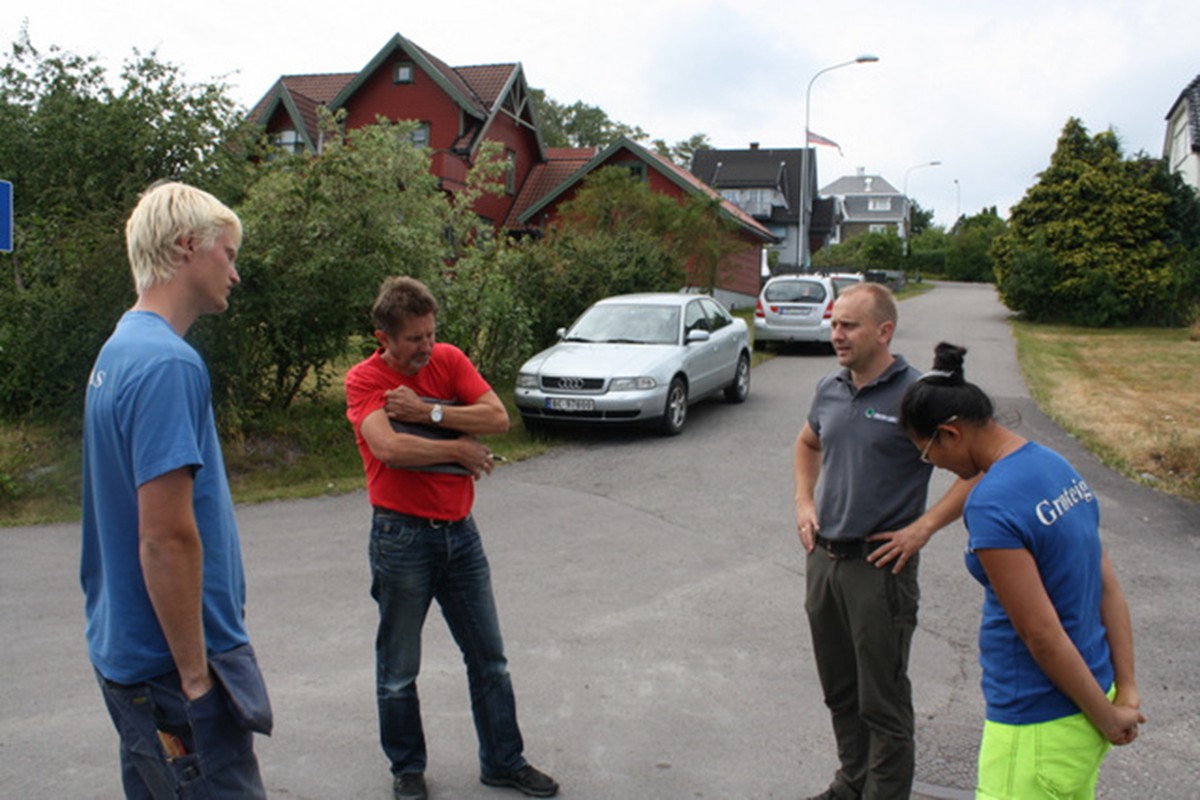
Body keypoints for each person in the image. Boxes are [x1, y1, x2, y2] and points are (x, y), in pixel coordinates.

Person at [81, 182, 271, 798]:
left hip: (127, 656)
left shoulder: (120, 348)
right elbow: (164, 537)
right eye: (228, 254)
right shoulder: (167, 364)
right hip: (172, 672)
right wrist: (197, 680)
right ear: (188, 246)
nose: (234, 274)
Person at [345, 276, 559, 800]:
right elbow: (389, 449)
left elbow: (497, 417)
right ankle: (408, 770)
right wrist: (458, 448)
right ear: (384, 337)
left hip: (461, 536)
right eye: (414, 338)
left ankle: (503, 761)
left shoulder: (448, 360)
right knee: (399, 669)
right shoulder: (365, 379)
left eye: (430, 334)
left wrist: (428, 413)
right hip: (401, 538)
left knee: (490, 659)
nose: (426, 346)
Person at [900, 342, 1144, 799]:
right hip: (1089, 705)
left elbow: (1041, 635)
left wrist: (1109, 719)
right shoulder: (1055, 465)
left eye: (928, 455)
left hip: (1034, 725)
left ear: (950, 434)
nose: (937, 467)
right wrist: (1123, 691)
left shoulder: (991, 503)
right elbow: (1107, 585)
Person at [792, 282, 975, 800]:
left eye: (849, 325)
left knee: (883, 700)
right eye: (834, 324)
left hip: (879, 568)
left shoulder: (917, 397)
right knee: (840, 690)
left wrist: (924, 527)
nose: (837, 334)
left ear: (884, 331)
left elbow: (979, 466)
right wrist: (804, 502)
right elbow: (807, 443)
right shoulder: (830, 387)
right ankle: (851, 783)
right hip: (825, 560)